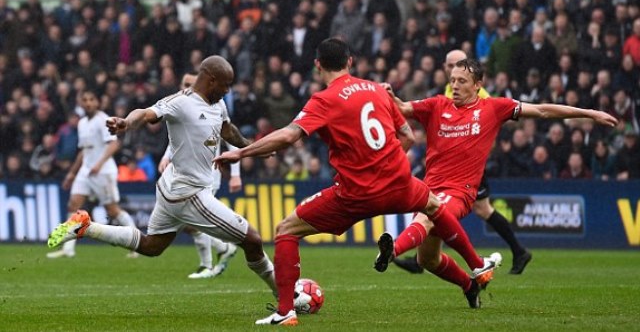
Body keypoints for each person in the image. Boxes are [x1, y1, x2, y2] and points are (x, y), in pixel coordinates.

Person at [213, 39, 502, 325]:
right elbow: (408, 137)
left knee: (286, 230)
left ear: (317, 66)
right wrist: (382, 165)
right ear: (350, 62)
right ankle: (476, 268)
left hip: (354, 194)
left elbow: (289, 136)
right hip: (399, 183)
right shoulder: (377, 89)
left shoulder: (324, 100)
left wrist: (243, 151)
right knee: (434, 206)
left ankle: (286, 310)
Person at [381, 58, 616, 302]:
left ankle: (392, 251)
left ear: (478, 85)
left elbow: (542, 110)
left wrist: (589, 113)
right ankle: (469, 286)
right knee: (427, 260)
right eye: (452, 81)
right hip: (432, 187)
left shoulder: (493, 108)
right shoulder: (437, 105)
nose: (455, 86)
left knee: (428, 216)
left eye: (462, 81)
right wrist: (387, 95)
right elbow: (402, 108)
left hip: (460, 192)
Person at [47, 56, 278, 297]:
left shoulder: (217, 104)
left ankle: (86, 228)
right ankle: (285, 297)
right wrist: (126, 122)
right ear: (211, 80)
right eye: (225, 84)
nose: (227, 90)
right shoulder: (180, 102)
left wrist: (251, 148)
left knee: (151, 246)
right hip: (189, 192)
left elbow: (227, 130)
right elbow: (145, 113)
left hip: (173, 188)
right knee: (252, 240)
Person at [394, 49, 533, 275]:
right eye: (449, 67)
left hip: (470, 163)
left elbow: (488, 123)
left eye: (456, 65)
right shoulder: (450, 90)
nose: (452, 71)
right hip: (448, 163)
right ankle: (505, 255)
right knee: (476, 208)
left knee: (479, 208)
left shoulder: (482, 97)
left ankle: (505, 255)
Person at [157, 72, 240, 279]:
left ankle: (207, 264)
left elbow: (230, 138)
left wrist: (236, 173)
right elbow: (179, 140)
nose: (186, 86)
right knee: (189, 222)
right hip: (186, 172)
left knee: (192, 220)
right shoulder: (180, 105)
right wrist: (166, 157)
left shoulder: (213, 105)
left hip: (207, 171)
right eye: (184, 83)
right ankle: (221, 249)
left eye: (190, 83)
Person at [47, 90, 141, 259]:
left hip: (103, 171)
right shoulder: (82, 122)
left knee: (112, 211)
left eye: (91, 99)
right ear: (81, 103)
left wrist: (99, 164)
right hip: (86, 170)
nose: (88, 103)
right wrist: (72, 173)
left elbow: (114, 145)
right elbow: (84, 151)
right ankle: (68, 249)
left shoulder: (103, 120)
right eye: (85, 100)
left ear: (97, 102)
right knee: (73, 205)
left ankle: (137, 243)